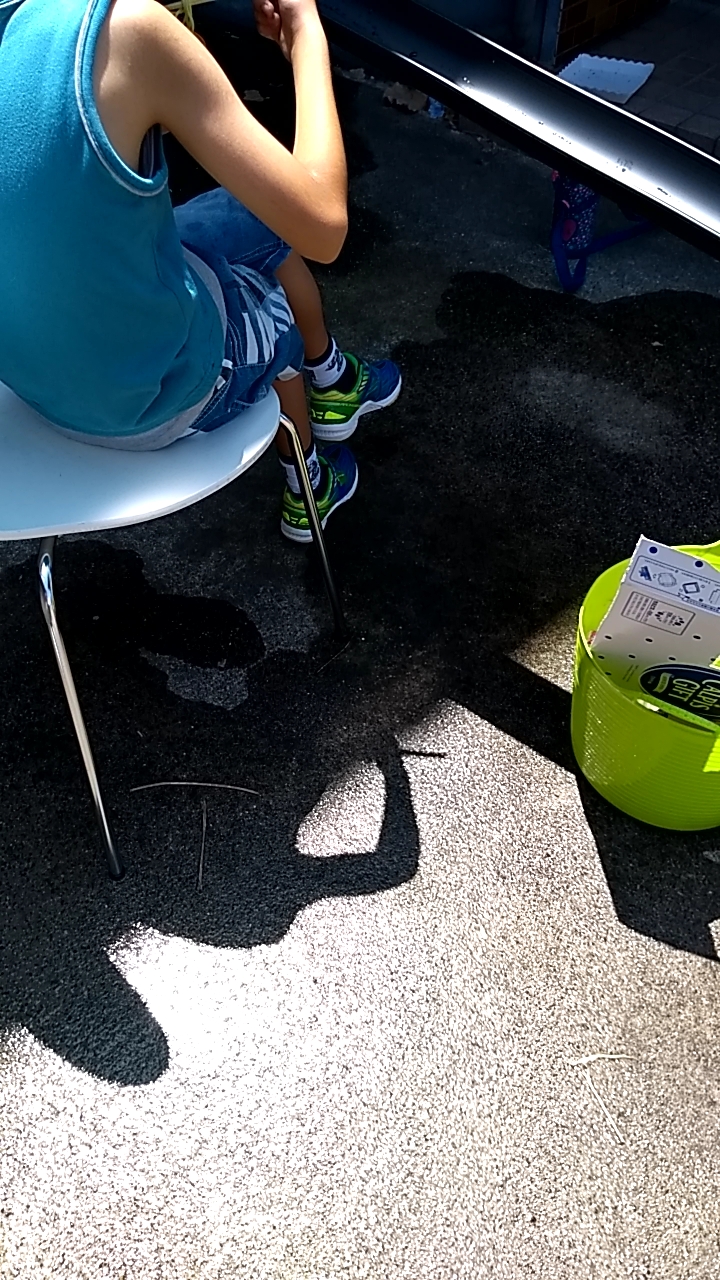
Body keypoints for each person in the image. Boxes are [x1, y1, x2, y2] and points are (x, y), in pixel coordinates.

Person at [0, 0, 401, 541]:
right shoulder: (129, 32)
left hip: (34, 384)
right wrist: (307, 37)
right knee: (276, 295)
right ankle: (309, 479)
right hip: (151, 395)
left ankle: (333, 378)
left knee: (256, 210)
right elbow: (326, 228)